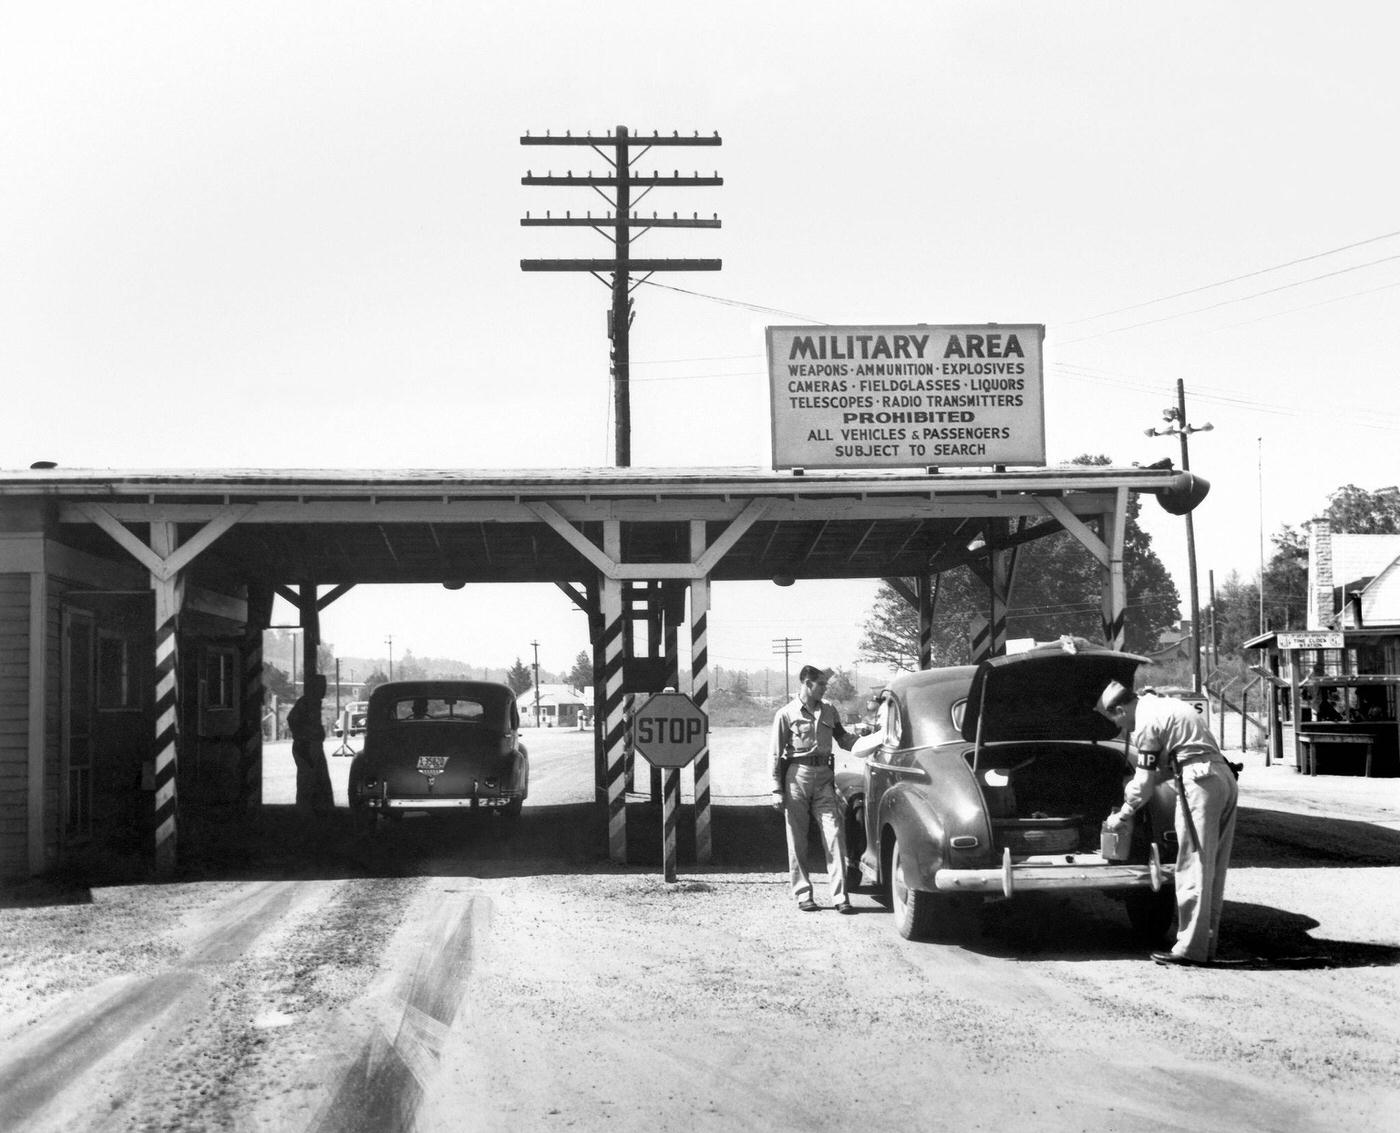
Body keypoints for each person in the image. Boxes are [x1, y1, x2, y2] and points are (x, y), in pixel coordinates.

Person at [1098, 681, 1239, 966]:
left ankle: (1190, 949)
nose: (1123, 729)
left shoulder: (1146, 724)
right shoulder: (1169, 705)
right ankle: (1205, 945)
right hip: (1223, 777)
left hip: (1198, 780)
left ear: (1120, 709)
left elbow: (1145, 784)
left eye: (1117, 720)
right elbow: (1165, 766)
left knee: (1193, 865)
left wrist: (1123, 813)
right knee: (1213, 867)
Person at [770, 665, 859, 914]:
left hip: (824, 778)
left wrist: (871, 741)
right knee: (797, 838)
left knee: (835, 836)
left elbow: (843, 739)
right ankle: (803, 894)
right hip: (796, 776)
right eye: (821, 684)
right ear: (807, 683)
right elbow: (775, 754)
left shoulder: (829, 710)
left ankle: (841, 897)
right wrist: (776, 789)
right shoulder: (786, 714)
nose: (824, 688)